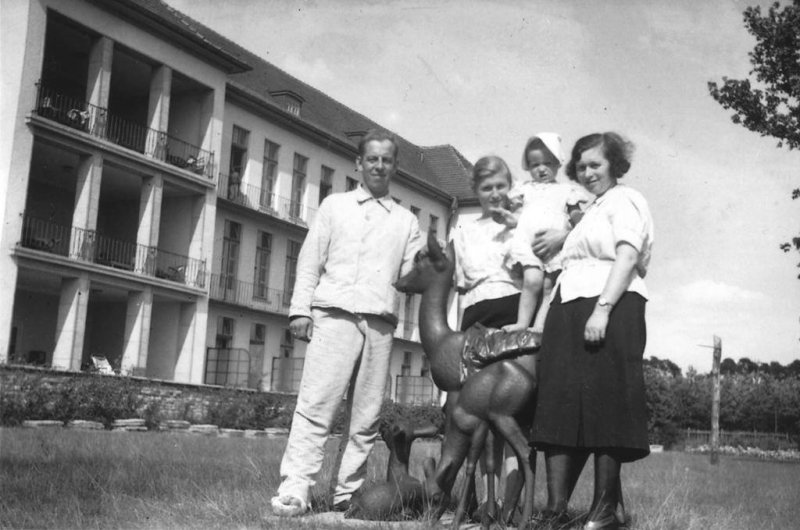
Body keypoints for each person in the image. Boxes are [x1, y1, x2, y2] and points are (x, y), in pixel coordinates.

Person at [270, 129, 422, 517]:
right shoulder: (334, 207)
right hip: (333, 317)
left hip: (379, 325)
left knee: (365, 417)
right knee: (316, 405)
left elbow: (413, 275)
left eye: (387, 159)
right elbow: (309, 261)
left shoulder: (407, 222)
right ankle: (295, 489)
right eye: (372, 158)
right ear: (358, 163)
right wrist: (300, 310)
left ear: (395, 166)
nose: (379, 165)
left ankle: (345, 494)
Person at [530, 132, 654, 530]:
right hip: (568, 308)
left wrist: (602, 309)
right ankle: (555, 510)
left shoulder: (627, 199)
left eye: (595, 164)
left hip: (611, 305)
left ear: (615, 164)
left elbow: (628, 254)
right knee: (558, 403)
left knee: (607, 406)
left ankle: (603, 513)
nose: (587, 172)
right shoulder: (591, 210)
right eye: (581, 166)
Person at [450, 155, 523, 513]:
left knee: (510, 413)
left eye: (500, 186)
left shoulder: (520, 224)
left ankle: (510, 502)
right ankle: (486, 501)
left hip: (511, 311)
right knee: (478, 412)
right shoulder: (463, 229)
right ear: (475, 192)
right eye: (486, 188)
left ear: (510, 187)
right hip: (475, 315)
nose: (494, 194)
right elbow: (459, 283)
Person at [504, 132, 590, 334]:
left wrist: (578, 221)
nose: (541, 169)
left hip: (554, 246)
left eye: (547, 163)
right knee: (532, 281)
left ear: (558, 163)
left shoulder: (566, 191)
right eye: (535, 165)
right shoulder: (525, 189)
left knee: (549, 288)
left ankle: (540, 325)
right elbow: (511, 208)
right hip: (529, 243)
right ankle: (522, 322)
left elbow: (576, 214)